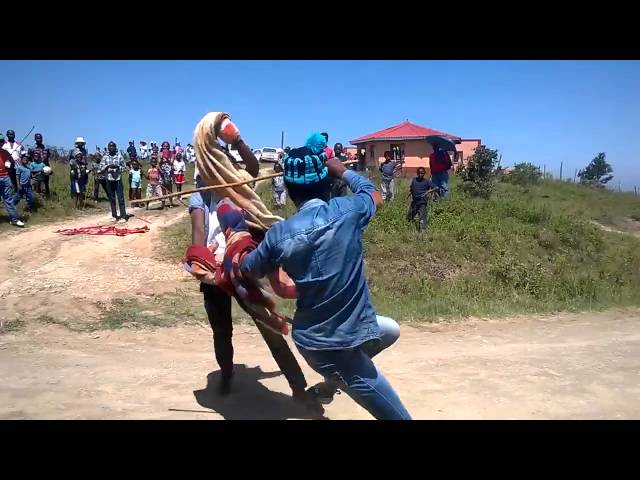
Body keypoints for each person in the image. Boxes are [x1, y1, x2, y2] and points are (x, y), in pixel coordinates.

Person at [239, 133, 411, 420]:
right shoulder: (348, 210)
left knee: (389, 330)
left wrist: (243, 237)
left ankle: (331, 384)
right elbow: (375, 195)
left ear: (290, 190)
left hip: (314, 339)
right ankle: (341, 375)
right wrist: (342, 169)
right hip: (335, 346)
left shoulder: (279, 234)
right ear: (328, 183)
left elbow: (249, 268)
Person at [188, 124, 320, 413]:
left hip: (245, 263)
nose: (220, 165)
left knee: (268, 323)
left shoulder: (238, 185)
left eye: (224, 159)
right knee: (221, 330)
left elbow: (251, 165)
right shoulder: (200, 193)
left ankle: (298, 389)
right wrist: (200, 264)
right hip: (215, 271)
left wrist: (236, 139)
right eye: (214, 159)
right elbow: (198, 232)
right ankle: (226, 376)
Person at [100, 141, 128, 223]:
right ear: (108, 148)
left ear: (115, 148)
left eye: (113, 146)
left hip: (118, 179)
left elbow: (125, 168)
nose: (111, 148)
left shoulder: (119, 156)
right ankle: (114, 215)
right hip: (109, 179)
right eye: (110, 146)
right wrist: (107, 166)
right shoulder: (105, 157)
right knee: (111, 198)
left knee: (120, 198)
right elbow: (100, 168)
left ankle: (123, 216)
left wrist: (118, 167)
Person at [407, 167, 436, 231]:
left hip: (422, 201)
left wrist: (428, 192)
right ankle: (408, 226)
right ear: (417, 173)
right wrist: (410, 193)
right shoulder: (414, 180)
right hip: (414, 201)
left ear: (424, 173)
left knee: (422, 216)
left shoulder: (427, 181)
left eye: (422, 173)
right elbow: (412, 188)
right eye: (419, 173)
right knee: (410, 216)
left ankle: (423, 230)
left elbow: (436, 187)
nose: (420, 174)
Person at [0, 149, 24, 227]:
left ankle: (14, 219)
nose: (0, 143)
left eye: (1, 141)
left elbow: (12, 162)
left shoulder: (6, 152)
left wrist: (8, 167)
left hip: (5, 177)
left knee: (8, 199)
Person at [29, 133, 52, 198]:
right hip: (36, 169)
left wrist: (48, 168)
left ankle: (47, 197)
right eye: (38, 138)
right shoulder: (32, 149)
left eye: (40, 138)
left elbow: (48, 157)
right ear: (35, 139)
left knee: (45, 183)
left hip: (45, 169)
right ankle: (37, 198)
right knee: (37, 183)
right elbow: (29, 159)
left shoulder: (46, 148)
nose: (39, 139)